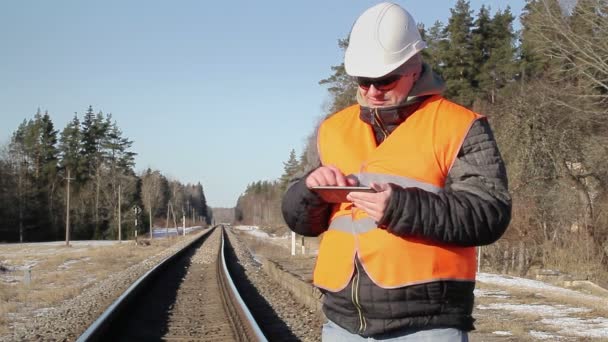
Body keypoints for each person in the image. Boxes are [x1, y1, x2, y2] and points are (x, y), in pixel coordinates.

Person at [281, 2, 511, 341]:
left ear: (414, 68)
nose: (373, 91)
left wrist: (401, 208)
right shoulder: (333, 129)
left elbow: (489, 212)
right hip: (342, 323)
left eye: (385, 79)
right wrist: (309, 193)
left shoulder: (459, 125)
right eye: (363, 80)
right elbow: (301, 221)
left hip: (428, 325)